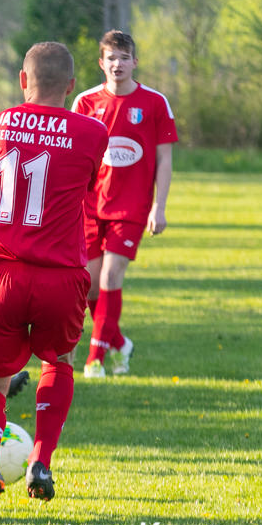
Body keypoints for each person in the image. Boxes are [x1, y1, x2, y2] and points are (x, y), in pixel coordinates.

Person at [0, 42, 108, 521]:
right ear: (72, 86)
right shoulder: (92, 132)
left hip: (3, 274)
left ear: (23, 80)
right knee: (58, 361)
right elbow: (89, 186)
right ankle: (41, 459)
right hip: (62, 276)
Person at [71, 30, 178, 378]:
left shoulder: (155, 103)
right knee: (88, 283)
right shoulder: (85, 103)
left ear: (135, 62)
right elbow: (72, 157)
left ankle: (95, 359)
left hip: (131, 208)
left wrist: (158, 207)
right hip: (89, 206)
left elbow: (164, 158)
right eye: (111, 58)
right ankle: (119, 343)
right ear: (101, 63)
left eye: (124, 57)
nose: (118, 64)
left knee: (112, 276)